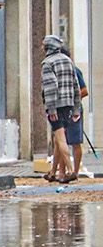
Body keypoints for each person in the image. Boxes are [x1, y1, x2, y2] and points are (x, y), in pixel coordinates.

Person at [41, 34, 83, 184]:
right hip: (69, 104)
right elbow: (76, 86)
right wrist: (76, 108)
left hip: (56, 106)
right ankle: (54, 173)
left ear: (48, 47)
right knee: (60, 140)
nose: (42, 48)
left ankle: (71, 172)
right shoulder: (68, 61)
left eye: (43, 45)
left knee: (60, 139)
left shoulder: (47, 63)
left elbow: (50, 88)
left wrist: (51, 110)